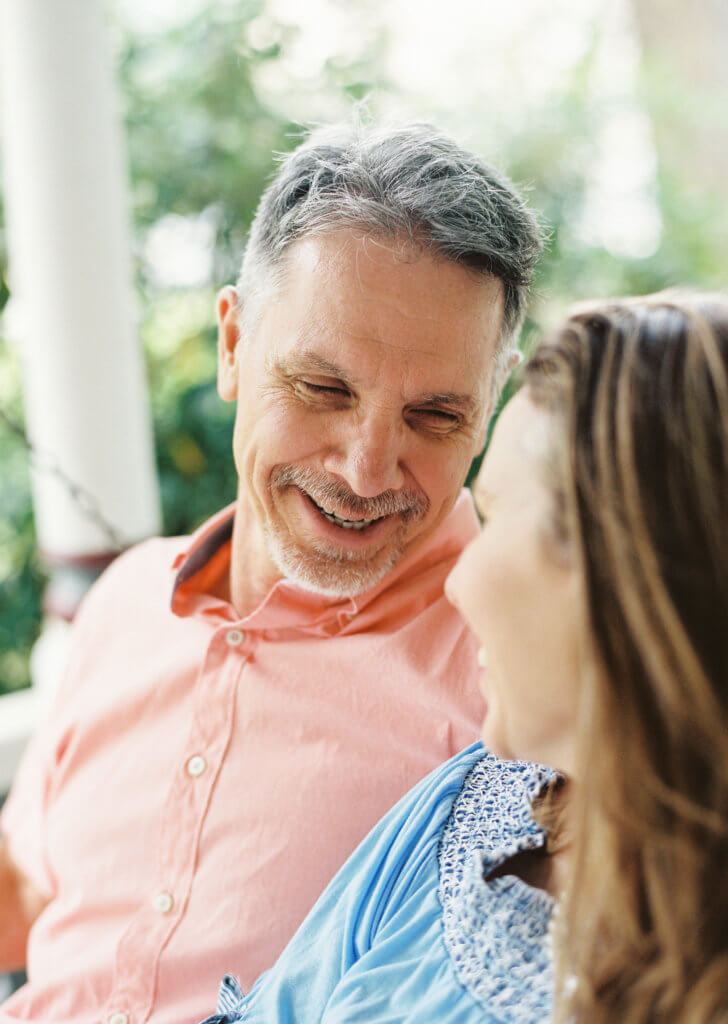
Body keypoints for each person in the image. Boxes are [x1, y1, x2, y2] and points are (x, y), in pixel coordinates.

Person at [0, 120, 543, 1024]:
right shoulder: (129, 598)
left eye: (435, 416)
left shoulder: (524, 679)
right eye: (322, 390)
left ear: (492, 403)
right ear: (232, 345)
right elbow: (30, 891)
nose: (367, 470)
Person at [201, 292, 728, 1024]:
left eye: (497, 518)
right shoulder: (461, 808)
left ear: (640, 582)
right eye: (324, 388)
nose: (457, 581)